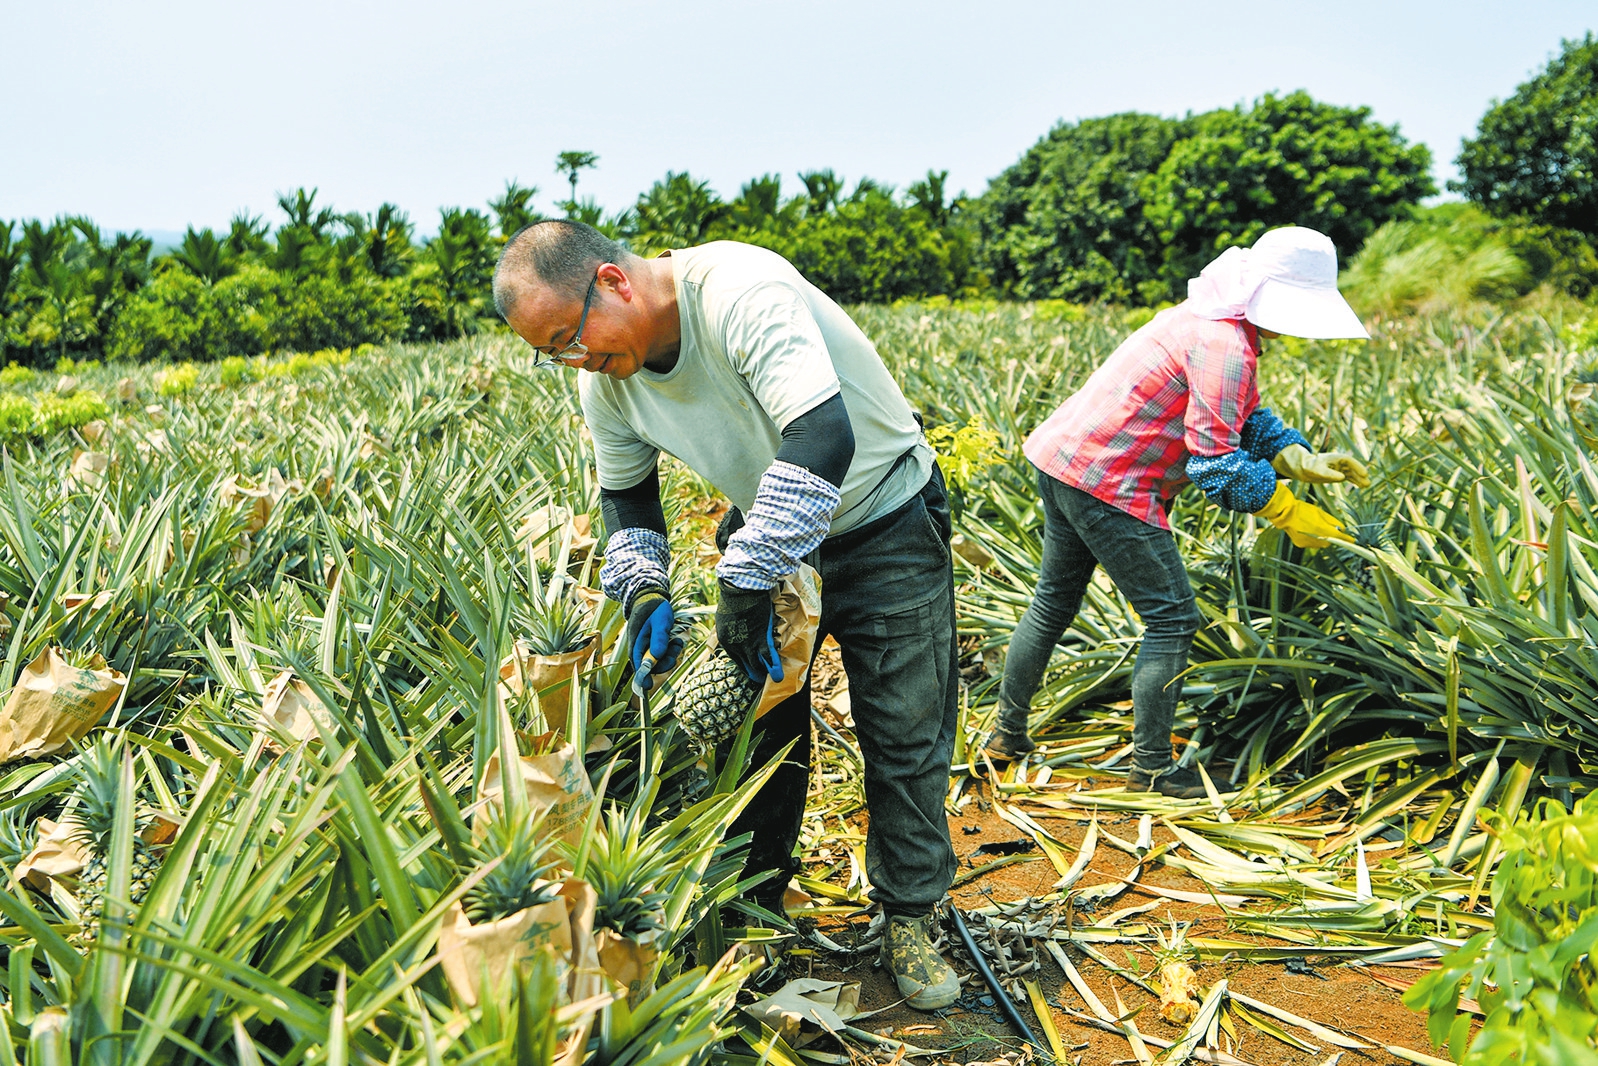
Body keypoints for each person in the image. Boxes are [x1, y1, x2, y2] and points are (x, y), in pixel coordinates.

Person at [491, 221, 962, 1010]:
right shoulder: (602, 377)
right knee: (759, 733)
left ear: (612, 281)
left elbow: (823, 436)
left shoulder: (740, 290)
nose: (573, 360)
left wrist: (743, 582)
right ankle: (758, 910)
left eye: (570, 337)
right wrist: (643, 586)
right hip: (770, 526)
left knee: (906, 730)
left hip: (884, 517)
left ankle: (910, 913)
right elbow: (627, 491)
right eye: (552, 353)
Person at [985, 226, 1371, 797]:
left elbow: (1244, 416)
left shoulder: (1205, 317)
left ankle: (1005, 735)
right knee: (1172, 620)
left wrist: (1299, 456)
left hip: (1063, 460)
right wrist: (1287, 510)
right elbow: (1214, 464)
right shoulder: (1226, 345)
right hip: (1108, 480)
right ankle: (1152, 769)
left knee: (1053, 601)